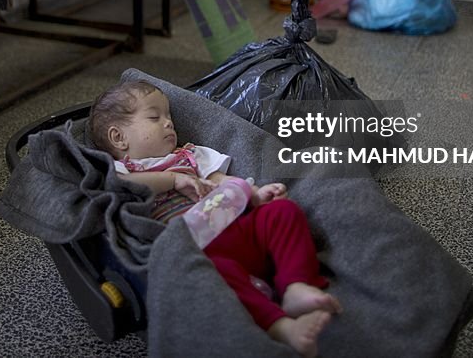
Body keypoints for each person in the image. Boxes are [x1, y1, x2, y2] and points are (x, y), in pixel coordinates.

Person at [88, 80, 342, 357]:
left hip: (236, 228)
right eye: (154, 117)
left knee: (283, 211)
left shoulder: (190, 155)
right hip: (199, 249)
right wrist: (172, 180)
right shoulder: (121, 171)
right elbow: (126, 188)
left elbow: (223, 181)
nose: (168, 123)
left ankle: (295, 286)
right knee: (212, 276)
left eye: (169, 116)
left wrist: (255, 195)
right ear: (118, 138)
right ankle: (280, 327)